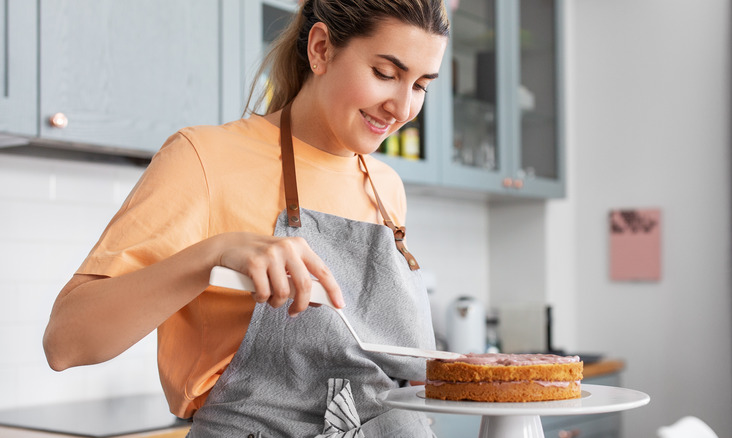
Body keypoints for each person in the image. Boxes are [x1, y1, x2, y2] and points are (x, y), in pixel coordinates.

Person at [43, 0, 449, 436]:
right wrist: (212, 254)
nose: (404, 109)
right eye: (386, 74)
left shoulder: (386, 187)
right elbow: (66, 342)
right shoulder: (203, 158)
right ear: (321, 49)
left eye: (421, 85)